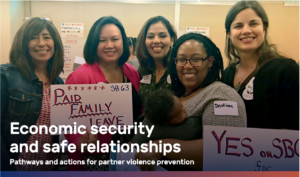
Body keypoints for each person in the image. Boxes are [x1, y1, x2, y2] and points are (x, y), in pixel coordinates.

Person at [134, 33, 247, 171]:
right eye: (181, 59)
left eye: (196, 59)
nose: (187, 66)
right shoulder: (176, 94)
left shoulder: (222, 96)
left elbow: (225, 155)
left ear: (210, 61)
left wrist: (163, 146)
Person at [64, 16, 142, 171]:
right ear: (94, 43)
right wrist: (80, 142)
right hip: (94, 159)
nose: (109, 45)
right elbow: (66, 123)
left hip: (127, 156)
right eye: (102, 40)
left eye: (115, 39)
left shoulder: (132, 72)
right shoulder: (80, 76)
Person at [221, 1, 299, 129]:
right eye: (238, 26)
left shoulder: (287, 70)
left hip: (271, 149)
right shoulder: (227, 74)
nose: (246, 30)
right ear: (229, 34)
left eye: (253, 23)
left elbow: (292, 129)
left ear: (264, 29)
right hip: (230, 148)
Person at [1, 17, 64, 171]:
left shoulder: (59, 83)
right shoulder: (6, 76)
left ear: (55, 43)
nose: (41, 43)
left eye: (47, 37)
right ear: (23, 44)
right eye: (33, 38)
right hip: (16, 168)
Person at [131, 89, 202, 147]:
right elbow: (194, 128)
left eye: (182, 104)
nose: (184, 110)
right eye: (180, 115)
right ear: (165, 123)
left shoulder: (151, 115)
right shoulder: (192, 127)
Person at [135, 16, 177, 103]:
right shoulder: (142, 69)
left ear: (172, 39)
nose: (156, 41)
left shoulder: (178, 69)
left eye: (162, 36)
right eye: (150, 37)